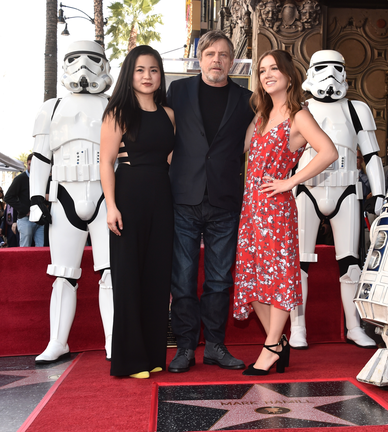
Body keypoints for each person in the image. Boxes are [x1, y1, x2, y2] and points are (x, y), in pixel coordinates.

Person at [233, 49, 338, 375]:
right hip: (251, 210)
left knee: (278, 279)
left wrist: (290, 181)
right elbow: (240, 152)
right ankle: (277, 342)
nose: (267, 75)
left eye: (274, 69)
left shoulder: (298, 115)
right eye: (262, 70)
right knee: (251, 281)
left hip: (276, 210)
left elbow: (329, 152)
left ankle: (270, 349)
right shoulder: (261, 116)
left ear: (290, 76)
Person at [165, 30, 255, 373]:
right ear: (200, 59)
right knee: (183, 278)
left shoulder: (247, 99)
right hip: (183, 198)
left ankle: (215, 346)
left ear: (231, 61)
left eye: (223, 54)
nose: (217, 60)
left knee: (219, 279)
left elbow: (256, 139)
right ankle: (185, 347)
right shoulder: (178, 91)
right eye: (210, 54)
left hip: (225, 200)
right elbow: (164, 134)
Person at [289, 50, 386, 350]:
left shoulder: (357, 109)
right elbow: (285, 154)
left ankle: (353, 327)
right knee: (300, 263)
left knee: (350, 263)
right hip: (306, 189)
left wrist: (379, 193)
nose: (330, 74)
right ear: (311, 72)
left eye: (337, 68)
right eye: (322, 67)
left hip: (346, 190)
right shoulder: (300, 109)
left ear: (345, 73)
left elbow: (371, 155)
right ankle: (297, 327)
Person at [28, 40, 114, 365]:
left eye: (92, 58)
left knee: (111, 273)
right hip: (63, 196)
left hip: (106, 196)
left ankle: (113, 341)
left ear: (104, 64)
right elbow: (40, 157)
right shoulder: (50, 109)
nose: (83, 65)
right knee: (63, 275)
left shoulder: (115, 106)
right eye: (75, 58)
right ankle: (57, 341)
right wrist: (36, 198)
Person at [100, 45, 175, 379]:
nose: (148, 76)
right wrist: (111, 206)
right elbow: (106, 162)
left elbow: (169, 159)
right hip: (128, 197)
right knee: (129, 278)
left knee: (158, 278)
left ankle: (154, 355)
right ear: (129, 74)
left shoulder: (169, 115)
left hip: (162, 198)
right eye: (140, 70)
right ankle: (130, 361)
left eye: (154, 70)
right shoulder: (117, 112)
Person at [4, 154, 45, 247]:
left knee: (41, 248)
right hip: (25, 218)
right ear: (27, 164)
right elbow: (8, 197)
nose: (32, 167)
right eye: (30, 164)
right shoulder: (20, 179)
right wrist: (25, 210)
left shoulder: (41, 178)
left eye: (34, 165)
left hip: (40, 218)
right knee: (25, 248)